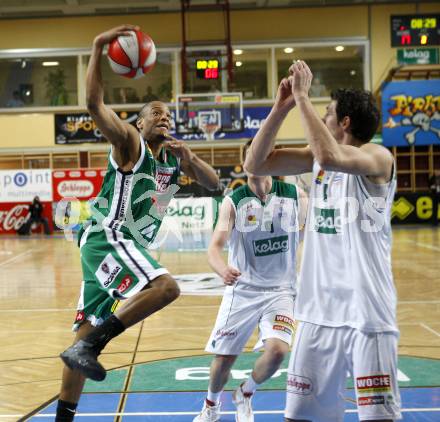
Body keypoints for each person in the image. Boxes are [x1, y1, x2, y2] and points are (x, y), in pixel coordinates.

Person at [56, 24, 219, 422]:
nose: (164, 117)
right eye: (155, 114)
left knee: (83, 332)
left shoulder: (171, 162)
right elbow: (95, 106)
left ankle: (65, 414)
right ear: (140, 123)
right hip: (108, 235)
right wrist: (97, 47)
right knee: (166, 287)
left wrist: (191, 160)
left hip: (112, 246)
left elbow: (214, 186)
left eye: (168, 115)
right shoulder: (130, 143)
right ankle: (92, 346)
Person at [244, 60, 401, 422]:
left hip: (367, 313)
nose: (322, 115)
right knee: (300, 416)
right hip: (317, 313)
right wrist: (280, 108)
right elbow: (256, 163)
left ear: (344, 122)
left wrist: (302, 96)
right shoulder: (317, 160)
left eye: (327, 112)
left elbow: (332, 154)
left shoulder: (378, 157)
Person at [194, 140, 306, 422]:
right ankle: (211, 406)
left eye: (264, 155)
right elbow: (214, 247)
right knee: (224, 359)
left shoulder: (296, 196)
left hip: (281, 290)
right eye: (251, 156)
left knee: (279, 351)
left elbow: (314, 236)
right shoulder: (234, 202)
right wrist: (222, 269)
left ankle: (245, 392)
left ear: (272, 160)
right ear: (245, 162)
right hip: (243, 291)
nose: (256, 162)